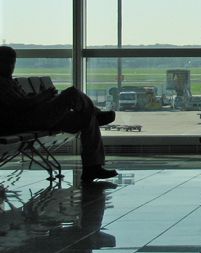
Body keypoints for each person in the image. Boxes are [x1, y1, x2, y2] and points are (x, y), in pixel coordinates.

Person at [0, 46, 118, 182]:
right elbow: (20, 105)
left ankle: (92, 168)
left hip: (33, 117)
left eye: (12, 63)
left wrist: (40, 98)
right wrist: (41, 97)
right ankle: (95, 113)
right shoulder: (1, 83)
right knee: (72, 94)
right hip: (25, 121)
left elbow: (23, 101)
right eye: (5, 62)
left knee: (87, 118)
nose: (10, 66)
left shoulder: (9, 81)